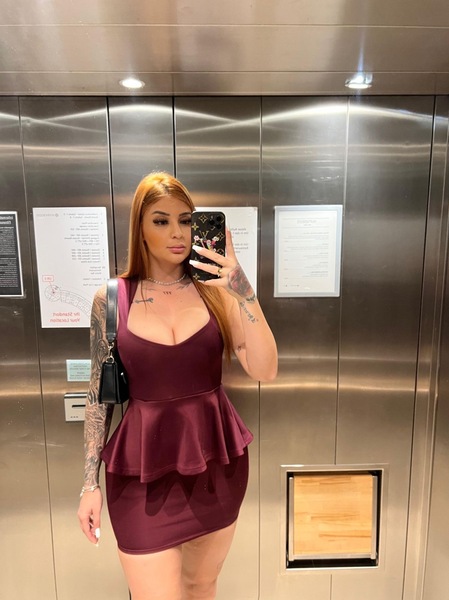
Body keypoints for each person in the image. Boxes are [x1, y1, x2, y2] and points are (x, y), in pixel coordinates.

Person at [77, 172, 278, 600]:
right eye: (161, 221)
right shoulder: (111, 299)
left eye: (186, 221)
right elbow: (97, 399)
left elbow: (265, 369)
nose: (177, 233)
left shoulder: (216, 292)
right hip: (141, 474)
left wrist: (243, 290)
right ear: (140, 228)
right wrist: (88, 485)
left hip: (215, 466)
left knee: (201, 587)